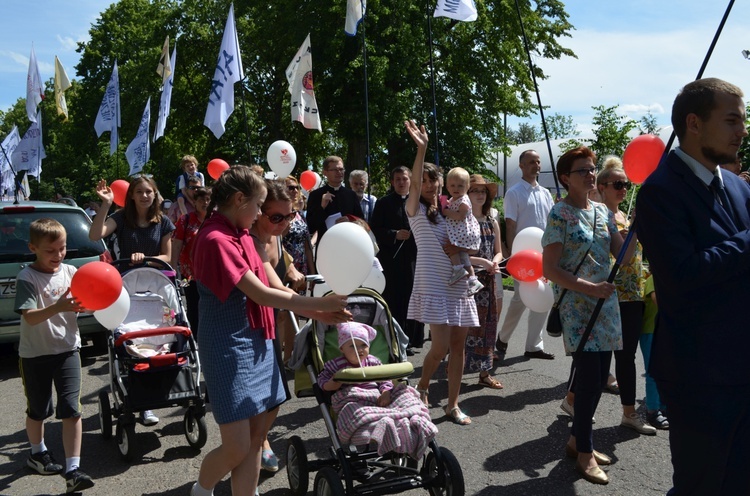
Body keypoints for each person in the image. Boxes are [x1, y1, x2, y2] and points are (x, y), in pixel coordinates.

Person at [188, 166, 348, 496]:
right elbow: (260, 294)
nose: (261, 213)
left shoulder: (242, 235)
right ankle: (202, 490)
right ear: (238, 199)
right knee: (236, 446)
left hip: (258, 339)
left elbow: (278, 290)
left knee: (256, 439)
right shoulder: (217, 239)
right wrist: (322, 305)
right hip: (228, 345)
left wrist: (321, 311)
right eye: (258, 205)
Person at [636, 78, 750, 495]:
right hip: (700, 377)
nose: (743, 130)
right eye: (732, 120)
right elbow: (682, 277)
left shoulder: (737, 186)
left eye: (743, 120)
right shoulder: (659, 192)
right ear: (694, 123)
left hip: (743, 366)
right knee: (701, 485)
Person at [542, 146, 635, 485]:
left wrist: (637, 225)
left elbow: (622, 258)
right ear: (566, 178)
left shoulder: (600, 211)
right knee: (590, 380)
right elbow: (549, 269)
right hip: (579, 306)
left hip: (606, 305)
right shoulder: (560, 214)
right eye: (582, 170)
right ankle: (584, 452)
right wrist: (589, 288)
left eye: (592, 168)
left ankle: (576, 442)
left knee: (597, 380)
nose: (590, 174)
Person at [404, 120, 479, 426]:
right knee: (440, 347)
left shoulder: (450, 212)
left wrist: (472, 261)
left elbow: (467, 242)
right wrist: (421, 149)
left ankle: (452, 404)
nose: (429, 185)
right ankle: (421, 386)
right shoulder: (415, 210)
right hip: (433, 285)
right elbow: (413, 184)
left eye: (433, 180)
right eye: (422, 181)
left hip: (458, 284)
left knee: (459, 348)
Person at [15, 219, 95, 493]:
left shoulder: (72, 272)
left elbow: (82, 302)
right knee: (38, 410)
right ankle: (37, 454)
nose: (58, 255)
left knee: (71, 409)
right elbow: (30, 317)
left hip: (68, 350)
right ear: (33, 248)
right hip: (35, 354)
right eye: (50, 251)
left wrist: (82, 308)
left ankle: (73, 469)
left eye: (62, 249)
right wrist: (60, 306)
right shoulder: (27, 277)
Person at [89, 175, 175, 425]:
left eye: (149, 191)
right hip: (126, 288)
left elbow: (168, 257)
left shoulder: (163, 221)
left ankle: (153, 399)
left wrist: (147, 259)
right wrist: (105, 204)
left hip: (155, 287)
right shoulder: (120, 218)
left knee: (161, 341)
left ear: (155, 194)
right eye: (140, 192)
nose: (145, 196)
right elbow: (96, 235)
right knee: (130, 342)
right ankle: (139, 398)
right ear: (132, 196)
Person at [595, 157, 655, 435]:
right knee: (605, 355)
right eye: (617, 184)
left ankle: (626, 413)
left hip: (633, 292)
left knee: (623, 355)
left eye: (626, 184)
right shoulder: (598, 215)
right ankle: (577, 401)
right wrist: (633, 228)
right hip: (611, 294)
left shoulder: (621, 215)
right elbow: (619, 254)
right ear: (602, 187)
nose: (623, 189)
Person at [497, 150, 555, 360]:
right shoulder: (514, 192)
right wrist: (512, 254)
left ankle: (534, 345)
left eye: (538, 162)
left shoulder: (546, 193)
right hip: (523, 254)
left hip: (544, 254)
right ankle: (502, 339)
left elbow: (551, 224)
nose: (536, 165)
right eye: (531, 162)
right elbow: (510, 224)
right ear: (521, 165)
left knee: (542, 296)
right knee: (520, 299)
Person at [370, 166, 424, 353]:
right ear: (392, 182)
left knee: (412, 298)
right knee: (394, 299)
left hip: (414, 259)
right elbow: (375, 229)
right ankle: (394, 338)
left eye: (405, 179)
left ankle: (411, 339)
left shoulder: (418, 202)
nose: (401, 182)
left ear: (411, 181)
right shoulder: (384, 203)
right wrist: (394, 234)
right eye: (398, 179)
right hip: (391, 260)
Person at [464, 174, 504, 389]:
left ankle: (484, 372)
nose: (479, 195)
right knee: (466, 327)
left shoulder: (491, 221)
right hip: (468, 281)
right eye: (475, 190)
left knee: (489, 325)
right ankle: (456, 369)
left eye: (483, 191)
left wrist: (495, 262)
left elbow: (499, 252)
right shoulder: (462, 220)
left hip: (488, 279)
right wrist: (483, 261)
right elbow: (457, 255)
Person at [318, 322, 393, 405]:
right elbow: (322, 379)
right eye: (353, 346)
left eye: (364, 345)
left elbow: (385, 378)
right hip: (352, 398)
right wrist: (330, 384)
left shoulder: (373, 361)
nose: (359, 349)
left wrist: (385, 392)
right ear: (342, 349)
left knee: (404, 391)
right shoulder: (337, 364)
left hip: (375, 396)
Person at [172, 186, 211, 336]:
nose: (205, 203)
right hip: (188, 274)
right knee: (192, 304)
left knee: (210, 305)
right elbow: (176, 244)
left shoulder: (216, 220)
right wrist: (173, 267)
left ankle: (209, 333)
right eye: (201, 200)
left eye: (208, 199)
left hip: (211, 274)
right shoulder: (185, 220)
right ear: (194, 202)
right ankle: (194, 338)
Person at [442, 167, 484, 296]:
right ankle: (472, 279)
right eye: (453, 185)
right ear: (448, 187)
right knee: (463, 255)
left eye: (460, 186)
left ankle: (457, 268)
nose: (456, 188)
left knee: (452, 246)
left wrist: (446, 211)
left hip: (463, 232)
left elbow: (461, 215)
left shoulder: (464, 199)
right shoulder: (453, 199)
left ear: (467, 187)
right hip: (461, 231)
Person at [306, 156, 363, 245]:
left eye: (341, 169)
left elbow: (361, 221)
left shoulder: (351, 195)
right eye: (335, 170)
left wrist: (350, 220)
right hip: (325, 245)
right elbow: (310, 227)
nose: (339, 172)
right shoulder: (316, 195)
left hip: (348, 244)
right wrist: (322, 207)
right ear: (325, 172)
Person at [640, 272, 668, 429]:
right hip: (650, 330)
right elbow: (659, 301)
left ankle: (663, 406)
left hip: (664, 331)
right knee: (652, 371)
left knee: (665, 371)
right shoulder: (653, 279)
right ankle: (653, 410)